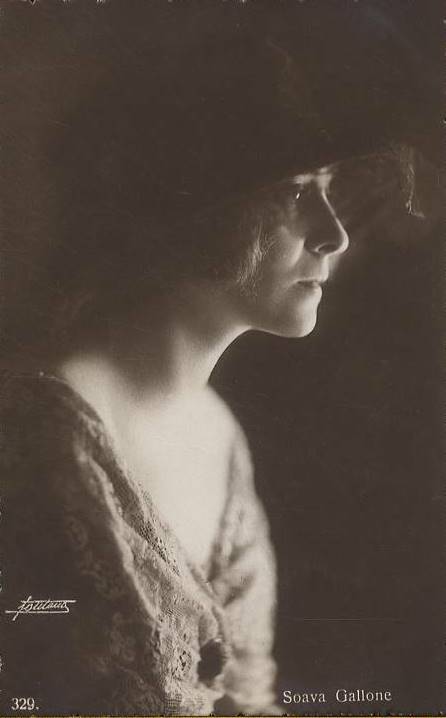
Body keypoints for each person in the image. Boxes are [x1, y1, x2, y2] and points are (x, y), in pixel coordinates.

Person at [0, 2, 436, 716]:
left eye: (328, 193)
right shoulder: (41, 432)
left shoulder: (217, 434)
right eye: (297, 195)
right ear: (204, 206)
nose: (334, 237)